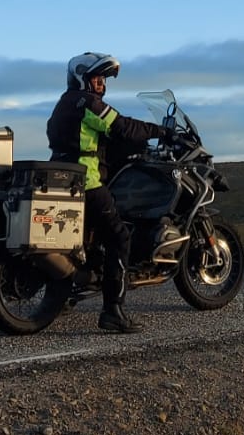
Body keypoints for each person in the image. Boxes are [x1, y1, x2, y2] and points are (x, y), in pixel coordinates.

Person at [46, 52, 165, 333]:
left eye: (103, 79)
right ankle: (113, 310)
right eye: (96, 78)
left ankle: (66, 294)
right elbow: (123, 126)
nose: (101, 84)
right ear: (81, 79)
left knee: (86, 240)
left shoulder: (64, 104)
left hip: (63, 177)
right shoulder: (88, 104)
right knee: (119, 236)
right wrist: (160, 131)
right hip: (86, 180)